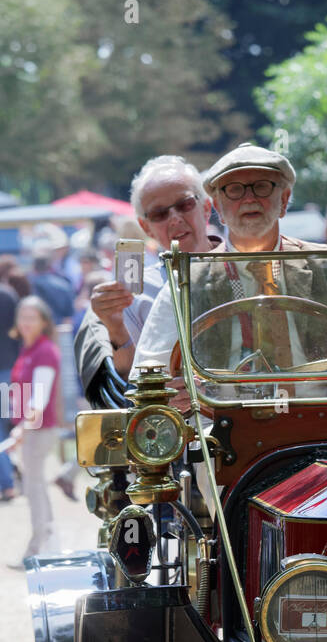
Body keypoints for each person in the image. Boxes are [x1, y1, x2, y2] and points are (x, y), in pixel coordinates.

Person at [134, 143, 327, 388]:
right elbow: (146, 373)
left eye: (261, 187)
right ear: (218, 209)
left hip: (325, 421)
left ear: (284, 200)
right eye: (234, 190)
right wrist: (172, 390)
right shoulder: (187, 281)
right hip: (218, 427)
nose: (249, 199)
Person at [74, 155, 220, 405]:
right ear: (146, 227)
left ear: (206, 207)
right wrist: (115, 326)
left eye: (184, 204)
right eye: (160, 213)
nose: (174, 218)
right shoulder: (133, 293)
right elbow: (128, 384)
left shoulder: (243, 268)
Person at [6, 297, 62, 563]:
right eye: (23, 317)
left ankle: (37, 549)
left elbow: (38, 399)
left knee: (34, 488)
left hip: (37, 431)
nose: (26, 323)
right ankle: (47, 546)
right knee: (35, 486)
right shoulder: (29, 349)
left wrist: (22, 429)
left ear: (43, 321)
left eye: (32, 317)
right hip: (30, 428)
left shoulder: (44, 351)